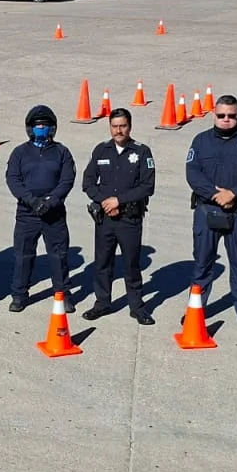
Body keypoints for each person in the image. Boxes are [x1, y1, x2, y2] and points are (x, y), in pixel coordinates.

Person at [185, 94, 237, 332]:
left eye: (231, 116)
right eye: (221, 115)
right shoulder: (201, 141)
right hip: (207, 211)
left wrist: (233, 193)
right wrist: (214, 194)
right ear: (213, 115)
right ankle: (195, 310)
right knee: (203, 264)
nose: (226, 120)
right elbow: (193, 173)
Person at [81, 108, 157, 324]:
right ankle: (102, 303)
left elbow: (147, 187)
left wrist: (119, 201)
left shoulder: (142, 152)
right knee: (103, 263)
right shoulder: (101, 150)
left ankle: (137, 306)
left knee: (132, 263)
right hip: (105, 219)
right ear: (110, 127)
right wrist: (106, 202)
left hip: (129, 219)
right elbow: (88, 183)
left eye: (122, 126)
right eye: (114, 126)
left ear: (130, 126)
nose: (118, 130)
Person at [4, 104, 76, 312]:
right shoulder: (19, 152)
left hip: (54, 214)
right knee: (23, 256)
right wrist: (32, 201)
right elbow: (13, 180)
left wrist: (51, 201)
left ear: (52, 128)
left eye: (45, 125)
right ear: (30, 128)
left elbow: (67, 179)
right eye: (37, 125)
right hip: (27, 213)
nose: (41, 128)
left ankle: (63, 294)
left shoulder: (62, 152)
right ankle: (19, 295)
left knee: (59, 256)